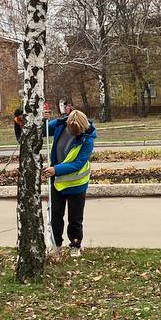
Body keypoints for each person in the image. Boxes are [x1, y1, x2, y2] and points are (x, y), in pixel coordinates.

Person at [42, 108, 96, 257]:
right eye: (72, 130)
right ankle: (56, 244)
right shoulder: (60, 125)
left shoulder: (87, 138)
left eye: (77, 132)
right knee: (55, 215)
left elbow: (78, 163)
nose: (74, 134)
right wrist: (41, 119)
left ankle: (75, 245)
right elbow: (41, 131)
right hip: (57, 181)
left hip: (76, 183)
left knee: (75, 218)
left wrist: (56, 170)